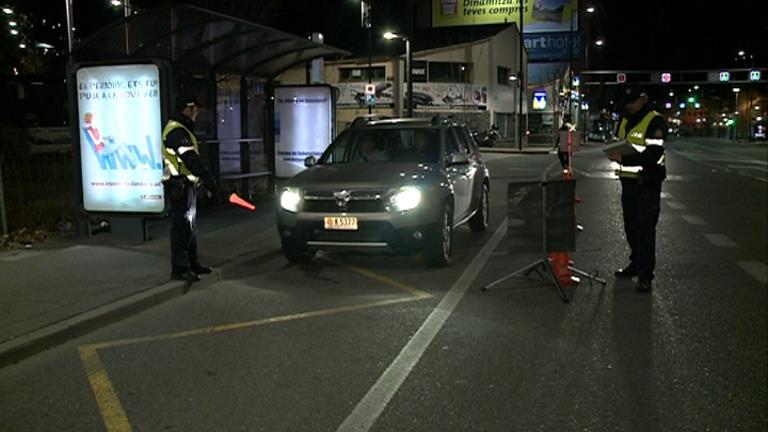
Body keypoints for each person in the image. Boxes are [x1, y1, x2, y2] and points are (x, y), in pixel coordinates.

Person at [606, 87, 668, 292]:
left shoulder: (655, 121)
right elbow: (619, 142)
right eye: (626, 102)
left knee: (645, 229)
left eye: (632, 102)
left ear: (643, 99)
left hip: (647, 183)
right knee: (630, 227)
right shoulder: (624, 120)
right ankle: (635, 263)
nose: (629, 106)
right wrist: (613, 151)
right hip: (628, 183)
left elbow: (654, 154)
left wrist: (625, 158)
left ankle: (645, 275)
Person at [162, 94, 220, 283]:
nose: (196, 113)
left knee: (190, 227)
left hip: (186, 185)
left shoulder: (181, 129)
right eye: (194, 109)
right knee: (181, 227)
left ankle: (192, 264)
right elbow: (191, 160)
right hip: (179, 186)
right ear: (186, 109)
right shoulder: (177, 132)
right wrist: (208, 179)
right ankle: (180, 268)